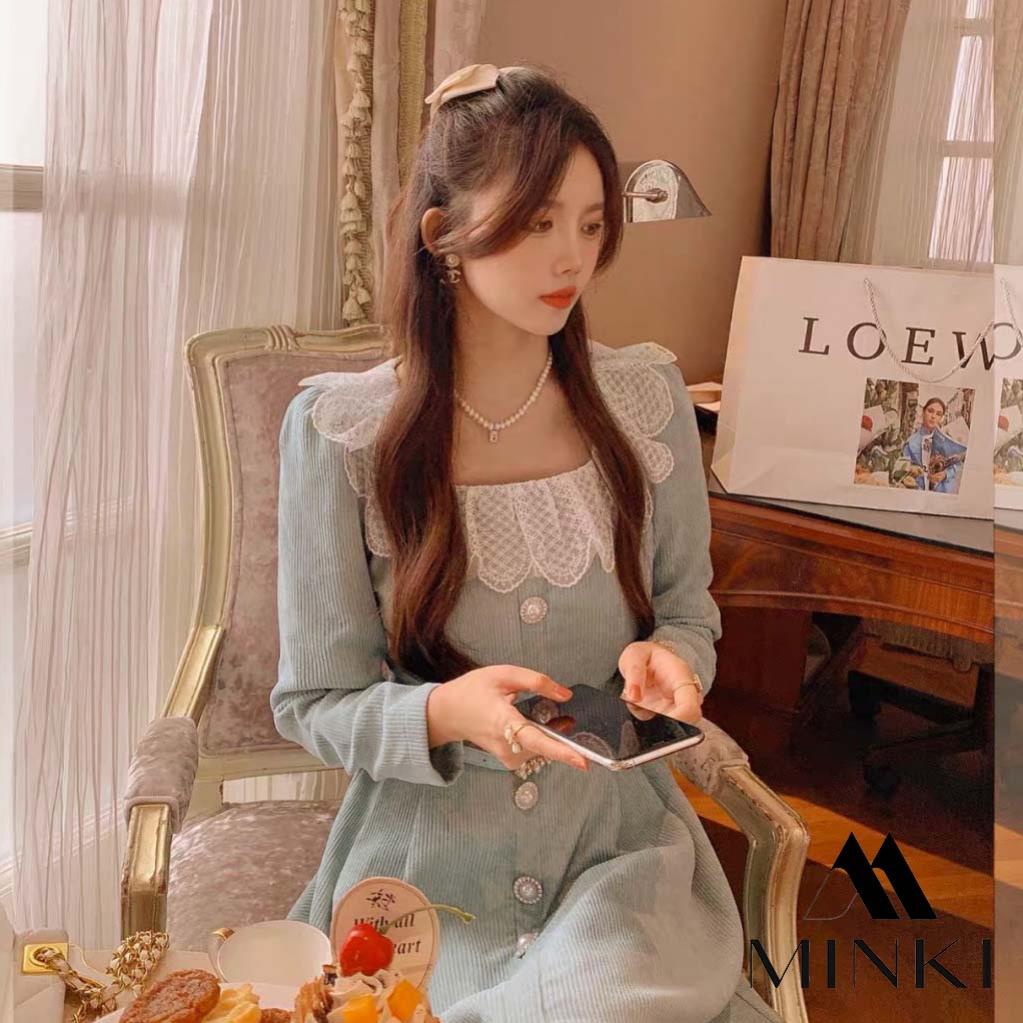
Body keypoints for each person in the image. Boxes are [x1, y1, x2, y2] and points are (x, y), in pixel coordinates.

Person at [272, 64, 782, 1023]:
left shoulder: (643, 403)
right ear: (442, 235)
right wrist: (446, 711)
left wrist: (671, 661)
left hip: (616, 860)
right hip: (425, 879)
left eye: (590, 225)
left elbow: (686, 612)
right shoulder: (342, 434)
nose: (571, 258)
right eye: (539, 221)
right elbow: (313, 702)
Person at [901, 396, 968, 494]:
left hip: (943, 491)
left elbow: (958, 463)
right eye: (930, 411)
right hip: (918, 491)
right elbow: (903, 470)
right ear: (923, 412)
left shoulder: (948, 439)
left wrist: (946, 474)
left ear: (941, 418)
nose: (933, 416)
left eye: (938, 414)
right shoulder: (911, 442)